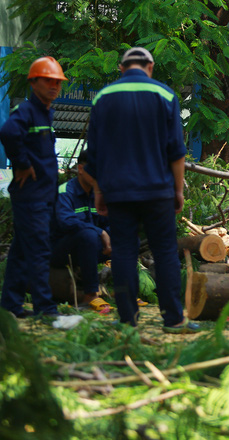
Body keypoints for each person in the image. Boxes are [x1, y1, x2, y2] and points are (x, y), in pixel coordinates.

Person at [85, 47, 197, 333]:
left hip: (118, 191)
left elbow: (94, 155)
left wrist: (99, 191)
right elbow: (176, 151)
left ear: (122, 68)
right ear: (150, 66)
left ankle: (127, 319)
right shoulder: (165, 95)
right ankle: (173, 319)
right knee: (165, 252)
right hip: (157, 190)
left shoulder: (103, 97)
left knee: (123, 252)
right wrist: (177, 190)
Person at [0, 56, 68, 319]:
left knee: (20, 252)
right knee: (40, 250)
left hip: (42, 196)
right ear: (34, 82)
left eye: (57, 82)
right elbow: (7, 132)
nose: (54, 86)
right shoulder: (27, 111)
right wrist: (21, 163)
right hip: (31, 197)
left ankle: (10, 306)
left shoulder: (45, 112)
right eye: (48, 81)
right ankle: (46, 309)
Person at [50, 149, 113, 313]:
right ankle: (90, 295)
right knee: (88, 234)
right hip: (60, 250)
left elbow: (107, 221)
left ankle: (125, 290)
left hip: (88, 248)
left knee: (126, 238)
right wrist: (100, 232)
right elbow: (66, 222)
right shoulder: (65, 192)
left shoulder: (97, 193)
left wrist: (110, 235)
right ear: (80, 169)